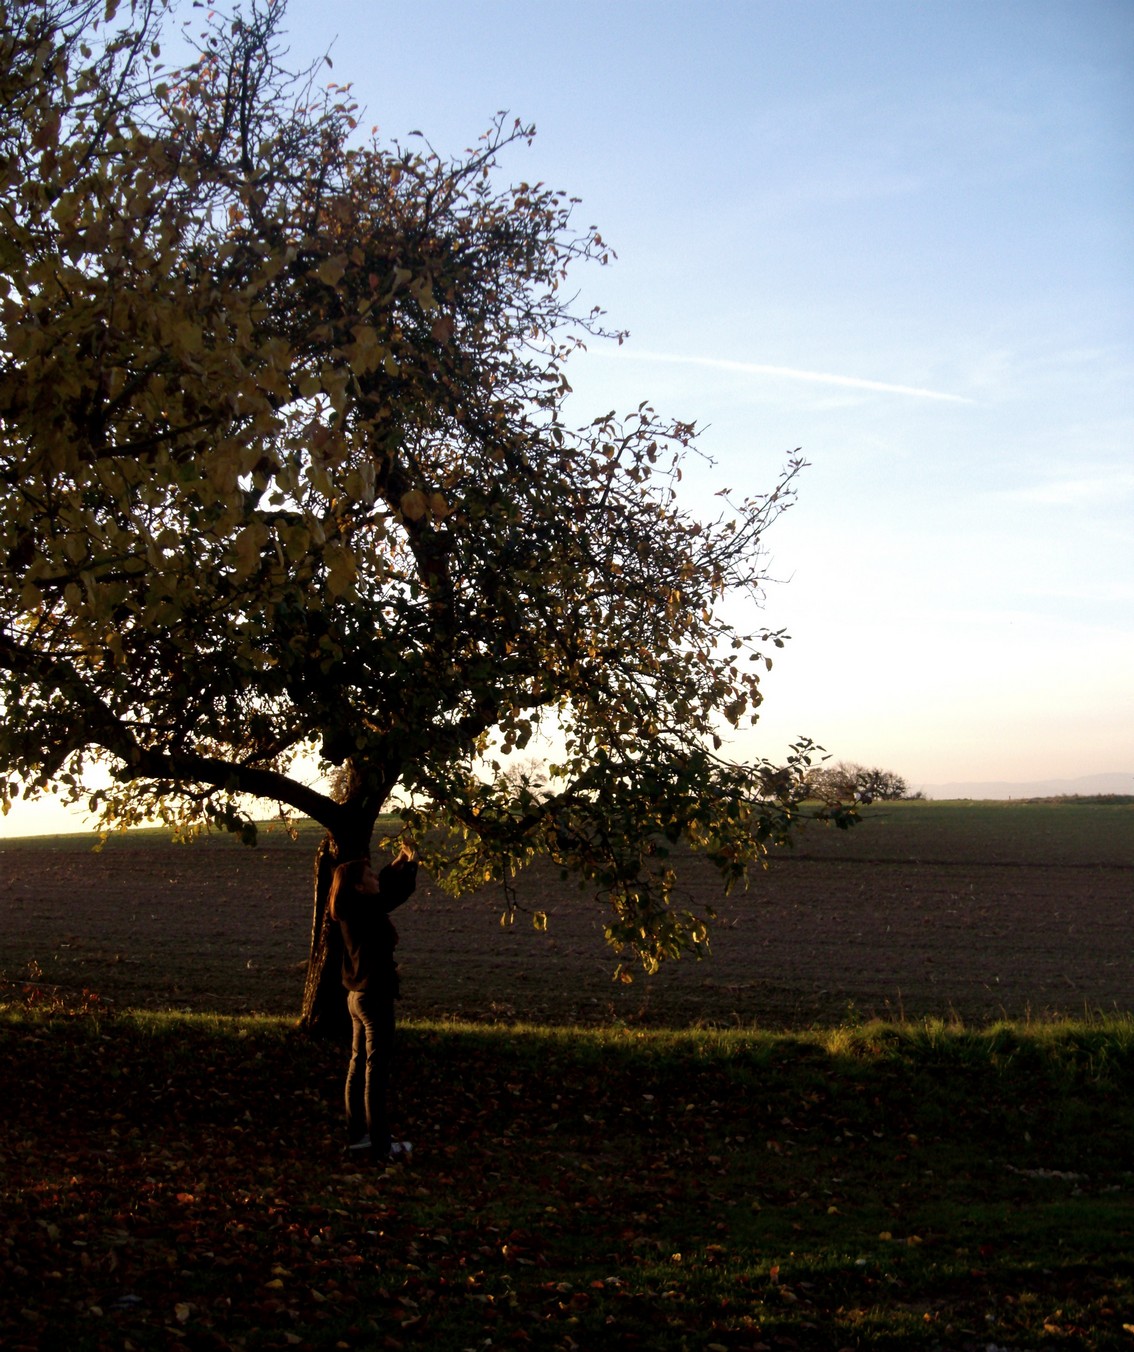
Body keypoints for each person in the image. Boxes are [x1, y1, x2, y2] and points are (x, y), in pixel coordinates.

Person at [328, 846, 418, 1165]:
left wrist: (396, 865)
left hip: (355, 996)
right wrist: (411, 866)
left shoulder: (352, 906)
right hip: (373, 996)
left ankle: (359, 1136)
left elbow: (383, 887)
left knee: (358, 1065)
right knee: (375, 1071)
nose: (374, 877)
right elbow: (393, 895)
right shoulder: (365, 907)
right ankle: (381, 1146)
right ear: (357, 885)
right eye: (368, 875)